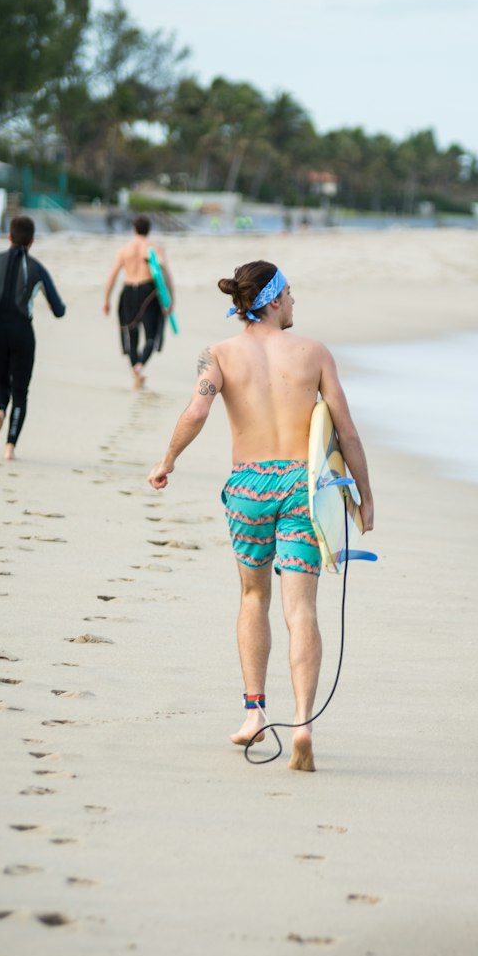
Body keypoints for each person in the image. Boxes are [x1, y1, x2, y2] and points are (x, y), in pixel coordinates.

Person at [147, 261, 375, 772]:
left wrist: (168, 461)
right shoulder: (313, 353)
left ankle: (254, 715)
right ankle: (302, 724)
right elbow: (348, 431)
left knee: (253, 595)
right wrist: (364, 496)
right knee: (302, 611)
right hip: (302, 487)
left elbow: (197, 412)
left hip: (248, 486)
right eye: (290, 294)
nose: (294, 303)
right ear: (272, 300)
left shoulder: (218, 355)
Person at [0, 215, 66, 461]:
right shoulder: (37, 269)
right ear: (32, 240)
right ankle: (10, 447)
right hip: (22, 332)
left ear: (8, 236)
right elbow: (58, 310)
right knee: (20, 391)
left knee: (1, 382)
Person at [102, 215, 174, 389]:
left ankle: (136, 372)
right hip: (148, 292)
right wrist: (170, 300)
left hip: (128, 292)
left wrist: (106, 300)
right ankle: (140, 365)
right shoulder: (154, 248)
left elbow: (112, 275)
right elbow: (165, 273)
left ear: (133, 229)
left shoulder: (124, 249)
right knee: (151, 335)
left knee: (131, 334)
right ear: (149, 229)